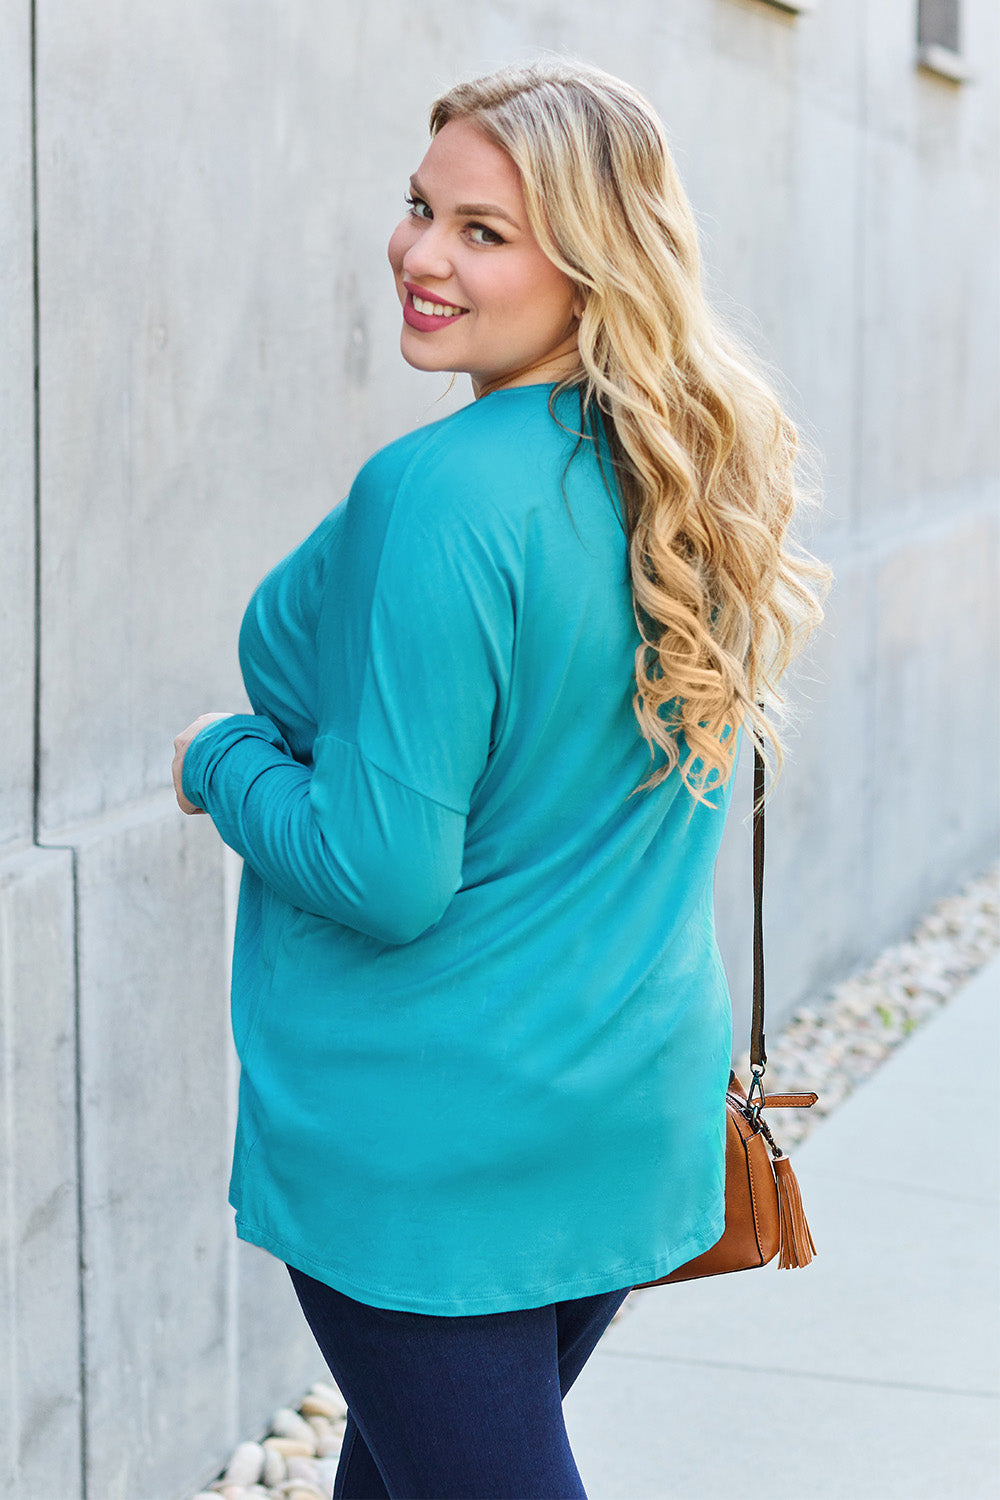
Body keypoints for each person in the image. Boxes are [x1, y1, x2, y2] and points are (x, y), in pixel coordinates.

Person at [172, 58, 828, 1500]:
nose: (417, 255)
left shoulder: (443, 493)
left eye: (483, 231)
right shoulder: (695, 469)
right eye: (419, 210)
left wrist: (219, 761)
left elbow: (385, 873)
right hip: (618, 1111)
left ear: (594, 262)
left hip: (433, 1154)